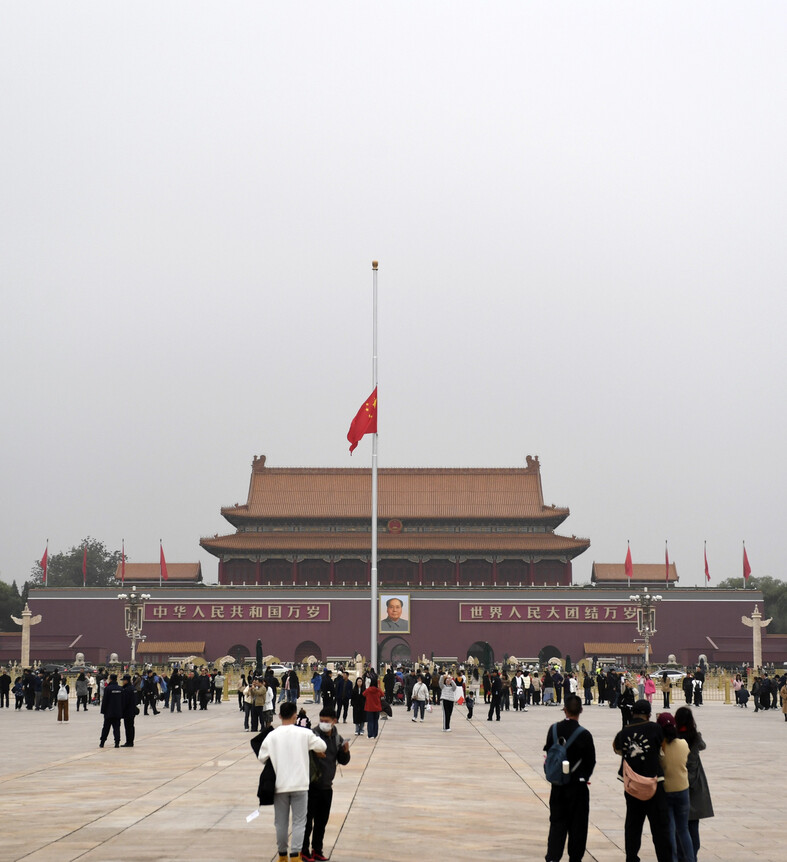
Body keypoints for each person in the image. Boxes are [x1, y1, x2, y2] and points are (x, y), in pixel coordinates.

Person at [257, 701, 327, 862]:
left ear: (279, 715)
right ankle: (295, 855)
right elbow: (322, 746)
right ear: (295, 715)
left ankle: (282, 854)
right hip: (300, 784)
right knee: (299, 822)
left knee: (280, 822)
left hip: (280, 784)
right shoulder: (304, 733)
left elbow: (262, 757)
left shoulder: (272, 735)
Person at [613, 699, 672, 862]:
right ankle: (664, 858)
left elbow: (617, 748)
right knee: (660, 826)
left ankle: (632, 857)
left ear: (633, 713)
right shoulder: (655, 728)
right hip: (654, 782)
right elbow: (664, 747)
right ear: (649, 714)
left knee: (633, 824)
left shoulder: (623, 732)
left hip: (633, 786)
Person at [543, 694, 596, 862]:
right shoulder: (585, 735)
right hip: (577, 788)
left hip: (558, 787)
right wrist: (582, 776)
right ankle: (575, 858)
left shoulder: (553, 730)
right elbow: (591, 761)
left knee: (557, 823)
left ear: (564, 709)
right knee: (578, 826)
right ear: (581, 710)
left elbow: (549, 753)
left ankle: (553, 857)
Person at [301, 706, 350, 862]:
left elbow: (343, 761)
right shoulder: (312, 735)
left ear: (334, 721)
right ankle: (303, 851)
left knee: (322, 822)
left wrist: (345, 752)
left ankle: (317, 850)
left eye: (326, 721)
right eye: (321, 721)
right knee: (307, 822)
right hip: (310, 786)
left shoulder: (337, 738)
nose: (323, 724)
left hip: (327, 787)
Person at [675, 706, 714, 860]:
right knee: (692, 825)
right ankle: (692, 855)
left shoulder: (675, 736)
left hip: (678, 783)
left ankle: (682, 855)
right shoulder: (694, 736)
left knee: (679, 826)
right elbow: (703, 746)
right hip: (695, 785)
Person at [657, 712, 692, 862]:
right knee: (684, 829)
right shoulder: (683, 744)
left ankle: (673, 859)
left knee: (670, 830)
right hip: (683, 789)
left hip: (666, 790)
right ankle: (690, 859)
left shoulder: (660, 747)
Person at [99, 673, 123, 748]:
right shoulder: (120, 689)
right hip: (117, 712)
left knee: (106, 728)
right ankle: (117, 742)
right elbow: (123, 701)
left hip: (108, 712)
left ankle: (102, 742)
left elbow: (105, 701)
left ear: (110, 679)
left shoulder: (108, 689)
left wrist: (103, 711)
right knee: (116, 728)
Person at [121, 674, 138, 746]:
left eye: (123, 680)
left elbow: (125, 701)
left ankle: (129, 742)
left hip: (128, 711)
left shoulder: (127, 689)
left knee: (128, 727)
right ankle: (131, 741)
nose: (122, 682)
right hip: (133, 709)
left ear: (126, 681)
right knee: (131, 726)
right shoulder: (133, 688)